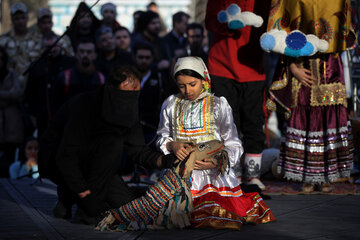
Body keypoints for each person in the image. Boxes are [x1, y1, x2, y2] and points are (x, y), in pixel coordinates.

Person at [95, 57, 275, 231]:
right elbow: (161, 137)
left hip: (213, 176)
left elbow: (234, 144)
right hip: (179, 175)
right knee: (163, 213)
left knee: (216, 215)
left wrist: (216, 162)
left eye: (192, 84)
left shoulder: (219, 105)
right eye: (182, 85)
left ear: (204, 79)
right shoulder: (171, 103)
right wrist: (172, 146)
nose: (187, 90)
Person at [54, 65, 174, 222]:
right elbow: (65, 155)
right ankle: (69, 198)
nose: (131, 97)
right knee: (111, 146)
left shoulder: (128, 112)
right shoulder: (85, 106)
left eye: (135, 92)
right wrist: (81, 190)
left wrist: (164, 161)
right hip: (68, 165)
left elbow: (138, 151)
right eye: (127, 92)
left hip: (103, 173)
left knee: (129, 208)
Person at [265, 0, 355, 193]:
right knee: (303, 118)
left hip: (330, 67)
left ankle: (326, 176)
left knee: (329, 119)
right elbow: (282, 28)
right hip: (300, 63)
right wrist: (291, 66)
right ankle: (306, 175)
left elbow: (345, 28)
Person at [205, 0, 271, 190]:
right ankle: (231, 171)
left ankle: (252, 175)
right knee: (226, 123)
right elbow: (209, 21)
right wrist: (227, 23)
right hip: (221, 67)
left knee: (253, 121)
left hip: (252, 67)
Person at [25, 32, 76, 137]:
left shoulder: (71, 63)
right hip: (44, 116)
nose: (52, 49)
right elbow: (30, 92)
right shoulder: (37, 66)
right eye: (49, 47)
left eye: (55, 46)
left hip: (67, 113)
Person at [53, 38, 104, 113]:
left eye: (89, 52)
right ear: (76, 54)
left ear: (95, 55)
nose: (85, 55)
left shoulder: (101, 79)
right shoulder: (65, 78)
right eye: (82, 51)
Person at [0, 2, 41, 90]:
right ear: (12, 19)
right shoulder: (3, 40)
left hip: (34, 87)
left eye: (23, 18)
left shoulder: (37, 39)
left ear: (27, 18)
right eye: (17, 18)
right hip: (9, 88)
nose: (20, 21)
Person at [133, 41, 163, 145]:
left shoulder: (159, 79)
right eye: (140, 57)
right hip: (130, 130)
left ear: (152, 58)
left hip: (152, 129)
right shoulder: (127, 78)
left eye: (147, 58)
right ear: (134, 57)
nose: (144, 61)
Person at [0, 46, 24, 178]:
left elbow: (16, 93)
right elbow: (10, 94)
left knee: (10, 158)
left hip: (11, 125)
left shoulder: (11, 75)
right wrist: (6, 95)